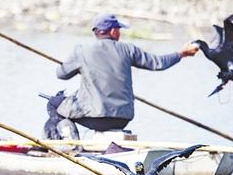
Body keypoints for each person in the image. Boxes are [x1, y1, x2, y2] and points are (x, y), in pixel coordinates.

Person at [55, 13, 199, 132]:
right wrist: (181, 53)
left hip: (95, 118)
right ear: (113, 31)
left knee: (54, 104)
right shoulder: (129, 50)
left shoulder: (81, 51)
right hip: (122, 119)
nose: (119, 33)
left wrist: (78, 67)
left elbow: (61, 74)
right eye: (119, 29)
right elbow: (159, 63)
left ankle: (72, 146)